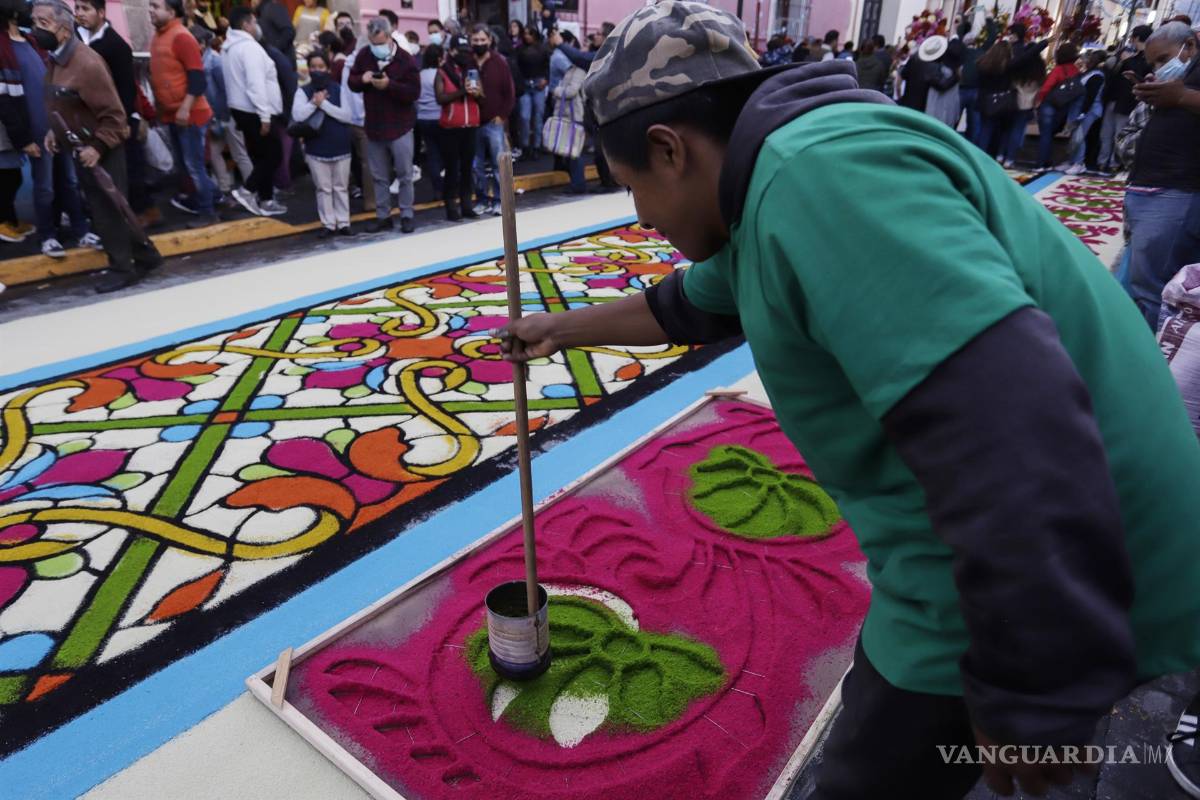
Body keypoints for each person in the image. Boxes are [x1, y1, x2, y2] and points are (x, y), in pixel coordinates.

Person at [499, 4, 1200, 799]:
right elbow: (692, 304)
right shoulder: (779, 178)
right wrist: (559, 328)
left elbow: (1014, 432)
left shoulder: (821, 180)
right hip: (1024, 557)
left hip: (1051, 570)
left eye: (632, 189)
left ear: (670, 149)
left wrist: (1034, 689)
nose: (642, 219)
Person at [34, 0, 161, 292]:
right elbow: (61, 103)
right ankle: (145, 255)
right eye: (35, 21)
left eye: (44, 23)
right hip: (81, 146)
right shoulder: (56, 59)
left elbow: (115, 116)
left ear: (64, 30)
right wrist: (55, 133)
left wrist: (99, 148)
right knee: (108, 204)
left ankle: (122, 267)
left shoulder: (86, 63)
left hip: (100, 148)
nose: (37, 29)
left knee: (108, 209)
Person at [1123, 21, 1200, 329]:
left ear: (1190, 47)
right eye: (1153, 62)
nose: (1159, 66)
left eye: (1163, 59)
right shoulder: (1185, 76)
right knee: (1146, 282)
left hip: (1174, 190)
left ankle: (1150, 360)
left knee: (1154, 288)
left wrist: (1179, 96)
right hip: (1156, 187)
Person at [76, 0, 150, 222]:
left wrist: (124, 121)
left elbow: (126, 89)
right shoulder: (74, 40)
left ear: (100, 13)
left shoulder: (116, 45)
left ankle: (137, 215)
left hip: (114, 120)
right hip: (84, 119)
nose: (79, 14)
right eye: (77, 8)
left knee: (127, 171)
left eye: (85, 9)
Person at [348, 15, 420, 233]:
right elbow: (352, 81)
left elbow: (413, 92)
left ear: (389, 36)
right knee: (379, 176)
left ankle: (407, 214)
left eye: (380, 43)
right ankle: (383, 216)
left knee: (404, 174)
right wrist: (363, 79)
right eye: (373, 43)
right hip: (374, 127)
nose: (376, 47)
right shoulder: (364, 55)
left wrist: (390, 85)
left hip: (400, 127)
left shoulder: (406, 60)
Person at [148, 0, 217, 226]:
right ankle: (216, 197)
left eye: (156, 6)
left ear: (171, 11)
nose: (151, 10)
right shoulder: (158, 37)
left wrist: (185, 108)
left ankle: (208, 212)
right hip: (172, 115)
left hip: (190, 115)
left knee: (194, 167)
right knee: (186, 166)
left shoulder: (181, 37)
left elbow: (197, 80)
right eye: (150, 5)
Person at [223, 4, 285, 216]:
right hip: (255, 111)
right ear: (246, 25)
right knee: (274, 155)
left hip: (243, 110)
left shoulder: (230, 47)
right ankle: (247, 191)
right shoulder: (249, 48)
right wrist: (265, 116)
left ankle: (266, 199)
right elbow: (255, 84)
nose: (257, 26)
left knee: (261, 155)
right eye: (254, 22)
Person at [293, 51, 352, 237]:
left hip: (340, 146)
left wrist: (324, 105)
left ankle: (343, 222)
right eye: (313, 67)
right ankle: (328, 223)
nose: (317, 70)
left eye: (321, 67)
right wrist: (314, 103)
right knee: (323, 188)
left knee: (341, 186)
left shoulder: (339, 89)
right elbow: (298, 115)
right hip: (316, 148)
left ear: (328, 68)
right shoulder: (303, 91)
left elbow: (347, 115)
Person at [193, 25, 252, 199]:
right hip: (215, 116)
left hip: (226, 114)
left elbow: (225, 90)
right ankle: (224, 186)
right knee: (213, 153)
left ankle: (252, 187)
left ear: (202, 44)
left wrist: (222, 115)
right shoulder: (203, 61)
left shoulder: (215, 61)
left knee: (238, 152)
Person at [468, 23, 513, 215]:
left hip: (493, 123)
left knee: (497, 165)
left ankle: (499, 200)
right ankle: (481, 199)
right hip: (472, 122)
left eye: (482, 40)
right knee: (475, 165)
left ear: (490, 40)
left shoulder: (499, 62)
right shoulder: (467, 62)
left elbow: (510, 93)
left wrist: (502, 116)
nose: (479, 43)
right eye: (475, 40)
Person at [0, 0, 35, 243]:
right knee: (7, 175)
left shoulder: (23, 38)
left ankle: (10, 220)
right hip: (3, 119)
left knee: (10, 173)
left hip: (10, 116)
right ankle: (3, 222)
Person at [434, 33, 480, 221]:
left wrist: (477, 92)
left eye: (466, 51)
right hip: (450, 128)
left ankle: (467, 205)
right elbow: (440, 98)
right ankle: (451, 207)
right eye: (460, 51)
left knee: (468, 168)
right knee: (452, 169)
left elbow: (479, 95)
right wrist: (463, 91)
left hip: (470, 125)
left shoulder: (471, 70)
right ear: (451, 51)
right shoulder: (442, 72)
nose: (464, 55)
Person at [1098, 25, 1151, 172]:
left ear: (1137, 38)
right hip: (1115, 99)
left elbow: (1142, 77)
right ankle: (1103, 161)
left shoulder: (1146, 58)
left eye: (1132, 38)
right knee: (1107, 132)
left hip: (1127, 102)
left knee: (1119, 133)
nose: (1131, 41)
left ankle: (1115, 162)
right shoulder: (1128, 55)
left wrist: (1128, 61)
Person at [1056, 49, 1105, 174]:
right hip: (1080, 108)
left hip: (1089, 110)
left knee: (1079, 136)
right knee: (1074, 135)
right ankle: (1072, 161)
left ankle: (1079, 162)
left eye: (1084, 60)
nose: (1082, 62)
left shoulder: (1097, 76)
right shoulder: (1087, 73)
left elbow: (1091, 96)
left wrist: (1083, 112)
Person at [1035, 41, 1081, 168]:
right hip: (1063, 107)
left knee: (1045, 134)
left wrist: (1039, 100)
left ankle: (1041, 162)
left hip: (1049, 104)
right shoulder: (1076, 71)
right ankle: (1047, 161)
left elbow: (1046, 87)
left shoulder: (1058, 70)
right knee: (1050, 135)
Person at [549, 54, 585, 194]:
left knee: (574, 152)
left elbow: (571, 91)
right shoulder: (571, 70)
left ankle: (578, 184)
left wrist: (556, 91)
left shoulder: (579, 71)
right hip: (568, 115)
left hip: (574, 115)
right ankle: (576, 182)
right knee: (570, 152)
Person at [515, 26, 548, 161]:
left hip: (538, 83)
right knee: (524, 116)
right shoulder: (519, 49)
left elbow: (547, 66)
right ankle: (525, 145)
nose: (527, 36)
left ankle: (536, 146)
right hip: (525, 85)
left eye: (530, 34)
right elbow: (516, 68)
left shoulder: (542, 49)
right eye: (525, 33)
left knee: (538, 116)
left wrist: (546, 80)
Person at [416, 43, 443, 199]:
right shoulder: (440, 74)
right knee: (446, 153)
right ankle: (448, 187)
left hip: (423, 118)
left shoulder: (420, 75)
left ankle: (437, 189)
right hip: (439, 116)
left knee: (432, 153)